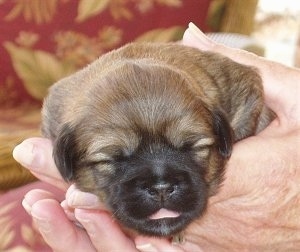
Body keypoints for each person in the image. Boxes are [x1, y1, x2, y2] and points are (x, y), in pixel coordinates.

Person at [13, 23, 300, 251]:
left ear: (224, 132)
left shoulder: (233, 89)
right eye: (113, 158)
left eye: (192, 147)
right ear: (66, 156)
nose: (161, 184)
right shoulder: (60, 115)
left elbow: (247, 85)